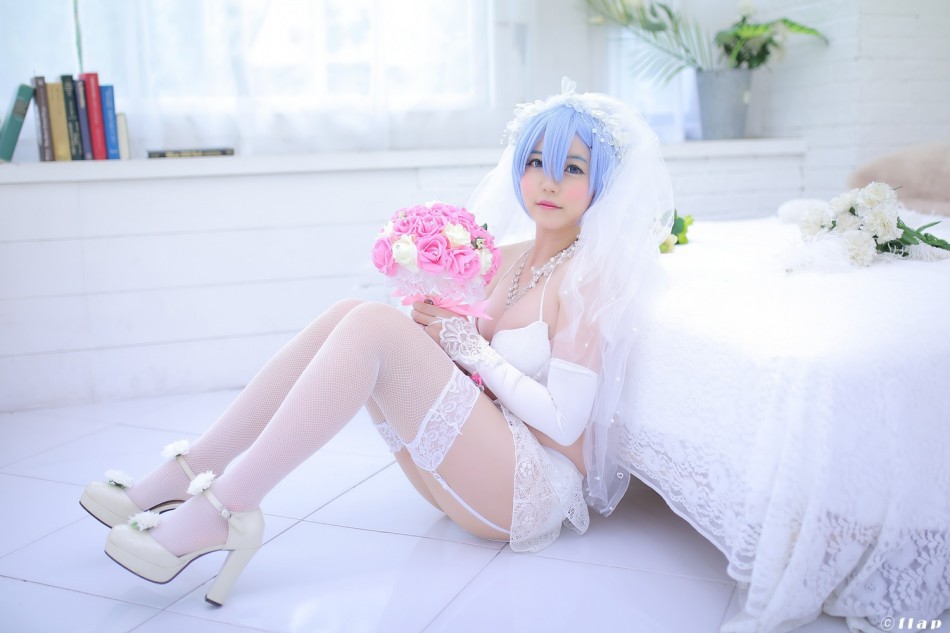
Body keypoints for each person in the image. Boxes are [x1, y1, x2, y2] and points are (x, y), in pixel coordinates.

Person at [79, 78, 674, 605]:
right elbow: (455, 356)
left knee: (372, 325)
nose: (549, 181)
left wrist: (467, 347)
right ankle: (194, 469)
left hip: (527, 488)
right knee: (354, 313)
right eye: (536, 161)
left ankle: (224, 509)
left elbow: (566, 423)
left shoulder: (589, 280)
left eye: (573, 168)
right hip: (473, 467)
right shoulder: (508, 256)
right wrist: (434, 327)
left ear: (602, 182)